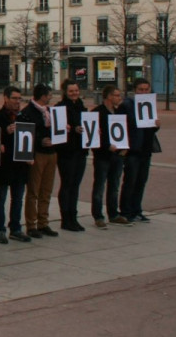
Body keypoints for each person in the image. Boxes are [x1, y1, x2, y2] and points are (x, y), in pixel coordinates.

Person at [0, 86, 32, 243]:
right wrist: (4, 132)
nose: (17, 102)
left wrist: (30, 156)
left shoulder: (24, 117)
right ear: (6, 98)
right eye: (14, 98)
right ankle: (0, 230)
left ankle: (15, 228)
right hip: (4, 166)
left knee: (17, 199)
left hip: (20, 166)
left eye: (19, 99)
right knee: (0, 198)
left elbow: (31, 139)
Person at [120, 78, 160, 222]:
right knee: (130, 181)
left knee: (141, 181)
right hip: (133, 150)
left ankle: (137, 209)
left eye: (146, 89)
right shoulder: (127, 105)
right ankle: (126, 211)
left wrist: (156, 125)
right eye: (141, 90)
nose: (144, 92)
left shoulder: (149, 104)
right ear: (135, 91)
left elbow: (150, 128)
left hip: (146, 149)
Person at [21, 84, 58, 238]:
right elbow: (26, 134)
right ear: (43, 96)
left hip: (52, 153)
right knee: (34, 191)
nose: (51, 97)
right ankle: (31, 224)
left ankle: (44, 222)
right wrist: (40, 141)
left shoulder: (50, 111)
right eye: (49, 95)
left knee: (46, 189)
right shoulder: (28, 112)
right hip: (37, 154)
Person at [92, 85, 130, 229]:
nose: (119, 98)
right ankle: (98, 216)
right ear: (108, 96)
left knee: (114, 186)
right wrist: (106, 145)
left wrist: (124, 146)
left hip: (118, 155)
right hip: (103, 155)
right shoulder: (97, 113)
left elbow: (123, 131)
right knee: (100, 186)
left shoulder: (119, 112)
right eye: (116, 95)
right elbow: (93, 136)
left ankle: (113, 213)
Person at [56, 79, 88, 232]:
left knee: (75, 185)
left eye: (76, 90)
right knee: (67, 184)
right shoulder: (60, 108)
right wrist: (73, 129)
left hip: (80, 150)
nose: (74, 93)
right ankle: (65, 218)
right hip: (66, 152)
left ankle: (73, 216)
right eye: (71, 91)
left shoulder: (81, 107)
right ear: (65, 92)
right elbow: (59, 130)